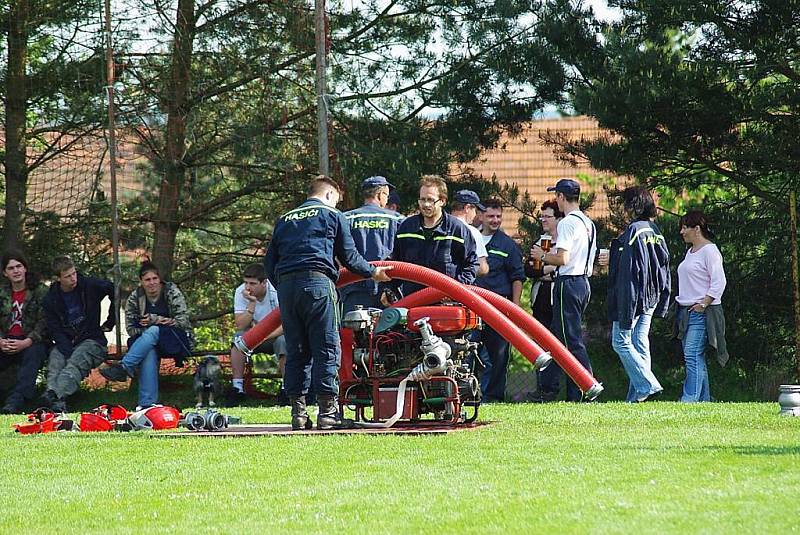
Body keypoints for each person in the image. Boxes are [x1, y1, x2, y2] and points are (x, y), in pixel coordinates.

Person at [264, 175, 393, 430]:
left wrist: (287, 288)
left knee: (296, 351)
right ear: (329, 195)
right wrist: (373, 272)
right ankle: (328, 413)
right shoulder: (333, 216)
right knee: (326, 347)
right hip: (318, 285)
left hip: (287, 290)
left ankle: (298, 414)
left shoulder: (285, 220)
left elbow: (269, 264)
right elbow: (350, 257)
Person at [530, 179, 597, 402]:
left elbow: (562, 258)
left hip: (567, 283)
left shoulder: (568, 223)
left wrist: (541, 256)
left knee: (569, 340)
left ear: (560, 197)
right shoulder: (587, 222)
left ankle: (587, 387)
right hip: (582, 283)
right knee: (564, 337)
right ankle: (572, 391)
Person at [605, 187, 670, 402]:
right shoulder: (654, 230)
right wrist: (663, 298)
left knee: (620, 341)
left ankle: (648, 384)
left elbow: (631, 272)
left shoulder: (634, 231)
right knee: (640, 341)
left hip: (633, 296)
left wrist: (627, 304)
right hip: (651, 295)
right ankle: (637, 397)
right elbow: (664, 267)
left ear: (632, 206)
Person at [99, 261, 194, 409]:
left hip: (175, 340)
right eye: (147, 280)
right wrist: (148, 333)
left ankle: (124, 367)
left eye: (155, 279)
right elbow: (130, 329)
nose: (152, 283)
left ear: (159, 279)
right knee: (149, 349)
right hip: (145, 344)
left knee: (154, 330)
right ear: (141, 282)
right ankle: (147, 404)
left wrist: (156, 321)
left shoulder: (171, 292)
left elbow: (182, 322)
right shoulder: (135, 298)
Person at [40, 256, 115, 412]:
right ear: (57, 278)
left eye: (74, 273)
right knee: (56, 360)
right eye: (67, 276)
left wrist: (110, 320)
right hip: (66, 341)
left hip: (92, 340)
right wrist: (67, 349)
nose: (73, 278)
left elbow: (114, 289)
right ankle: (57, 405)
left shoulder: (89, 285)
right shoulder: (51, 300)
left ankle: (52, 395)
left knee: (76, 360)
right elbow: (55, 330)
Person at [391, 175, 479, 296]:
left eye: (431, 200)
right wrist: (389, 289)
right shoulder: (407, 228)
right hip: (413, 303)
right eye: (422, 199)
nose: (426, 204)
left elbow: (471, 265)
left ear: (442, 201)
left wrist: (456, 292)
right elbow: (396, 264)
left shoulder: (457, 230)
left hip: (446, 304)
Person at [674, 210, 728, 402]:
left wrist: (704, 303)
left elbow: (719, 282)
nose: (681, 231)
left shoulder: (710, 251)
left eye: (685, 227)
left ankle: (689, 400)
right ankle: (703, 401)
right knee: (696, 357)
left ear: (697, 229)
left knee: (691, 354)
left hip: (702, 312)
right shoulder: (690, 252)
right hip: (686, 312)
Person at [474, 200, 525, 401]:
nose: (495, 220)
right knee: (469, 353)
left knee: (498, 356)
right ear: (480, 216)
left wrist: (515, 306)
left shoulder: (507, 245)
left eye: (498, 216)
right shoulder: (471, 238)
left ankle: (493, 397)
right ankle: (469, 394)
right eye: (490, 216)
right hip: (473, 307)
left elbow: (518, 277)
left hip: (498, 308)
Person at [340, 175, 404, 313]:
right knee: (390, 333)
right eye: (386, 195)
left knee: (353, 331)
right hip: (387, 289)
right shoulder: (397, 219)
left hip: (352, 287)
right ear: (380, 194)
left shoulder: (346, 218)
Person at [227, 263, 286, 404]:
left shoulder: (278, 291)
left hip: (275, 334)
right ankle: (237, 388)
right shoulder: (241, 292)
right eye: (246, 283)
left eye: (253, 284)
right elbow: (240, 324)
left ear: (264, 283)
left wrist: (263, 335)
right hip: (254, 334)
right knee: (238, 339)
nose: (248, 287)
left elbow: (286, 325)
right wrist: (251, 303)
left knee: (285, 342)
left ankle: (286, 388)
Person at [0, 251, 49, 413]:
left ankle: (15, 402)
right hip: (6, 341)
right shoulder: (2, 293)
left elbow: (45, 321)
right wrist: (0, 341)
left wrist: (27, 341)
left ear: (25, 268)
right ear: (5, 273)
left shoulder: (40, 291)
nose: (16, 271)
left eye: (19, 266)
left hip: (31, 341)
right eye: (11, 268)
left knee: (33, 356)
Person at [525, 200, 564, 402]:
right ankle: (542, 388)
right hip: (540, 299)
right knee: (540, 343)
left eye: (547, 217)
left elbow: (565, 266)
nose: (543, 221)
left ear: (558, 219)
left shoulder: (564, 241)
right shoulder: (542, 241)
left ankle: (554, 388)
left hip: (557, 298)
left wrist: (547, 267)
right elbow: (530, 269)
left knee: (557, 342)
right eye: (542, 217)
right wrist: (550, 269)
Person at [450, 190, 489, 277]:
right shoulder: (472, 232)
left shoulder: (440, 227)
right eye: (475, 210)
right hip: (461, 286)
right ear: (467, 208)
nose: (475, 215)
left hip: (435, 286)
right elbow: (482, 268)